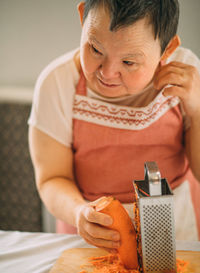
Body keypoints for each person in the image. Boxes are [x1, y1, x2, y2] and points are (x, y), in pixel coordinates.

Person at [28, 0, 200, 250]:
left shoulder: (187, 75)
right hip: (93, 232)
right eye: (95, 49)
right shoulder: (57, 84)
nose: (107, 73)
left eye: (129, 63)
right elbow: (52, 178)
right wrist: (79, 213)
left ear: (167, 50)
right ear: (81, 18)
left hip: (177, 225)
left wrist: (197, 111)